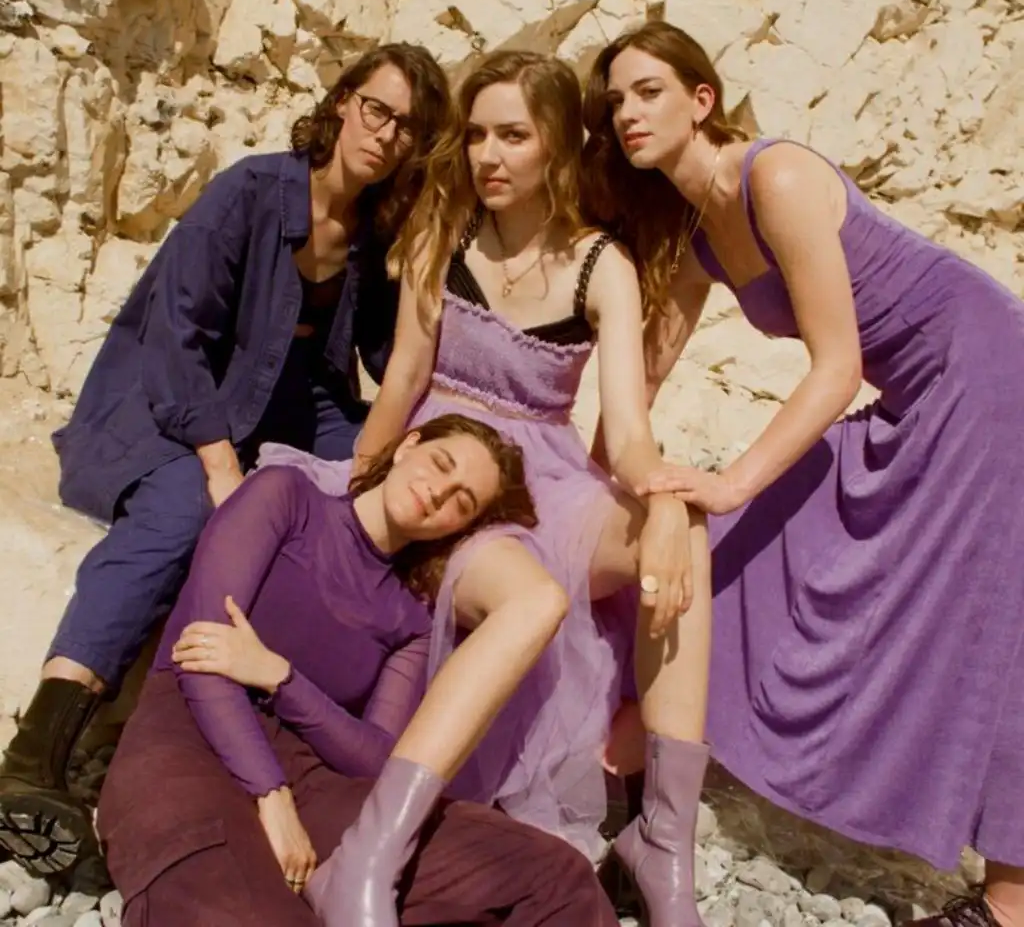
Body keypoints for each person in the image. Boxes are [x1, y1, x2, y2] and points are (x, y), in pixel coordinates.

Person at [582, 18, 1024, 927]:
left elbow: (837, 366)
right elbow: (642, 383)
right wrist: (578, 490)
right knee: (735, 545)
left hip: (988, 375)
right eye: (616, 99)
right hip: (920, 394)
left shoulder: (774, 176)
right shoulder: (699, 237)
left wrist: (732, 480)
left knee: (990, 618)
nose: (628, 112)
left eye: (649, 91)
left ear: (702, 99)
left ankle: (1010, 904)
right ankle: (634, 772)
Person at [261, 49, 712, 927]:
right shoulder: (449, 231)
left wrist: (664, 502)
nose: (487, 156)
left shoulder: (603, 267)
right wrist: (358, 486)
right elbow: (402, 381)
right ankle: (368, 858)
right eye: (475, 136)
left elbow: (627, 432)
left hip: (550, 479)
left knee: (684, 536)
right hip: (449, 463)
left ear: (558, 148)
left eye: (513, 136)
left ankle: (666, 844)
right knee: (531, 593)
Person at [0, 42, 450, 884]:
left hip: (289, 405)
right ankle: (35, 756)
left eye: (407, 129)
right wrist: (217, 466)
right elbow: (176, 340)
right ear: (344, 102)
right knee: (181, 513)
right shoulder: (250, 191)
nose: (386, 136)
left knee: (377, 487)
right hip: (170, 403)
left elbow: (384, 358)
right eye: (377, 110)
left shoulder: (374, 234)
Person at [96, 414, 617, 925]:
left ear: (460, 529)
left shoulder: (412, 617)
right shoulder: (286, 497)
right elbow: (198, 658)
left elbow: (375, 758)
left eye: (462, 502)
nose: (439, 492)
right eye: (441, 464)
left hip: (314, 778)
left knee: (552, 875)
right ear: (408, 445)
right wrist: (270, 794)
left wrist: (283, 680)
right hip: (189, 741)